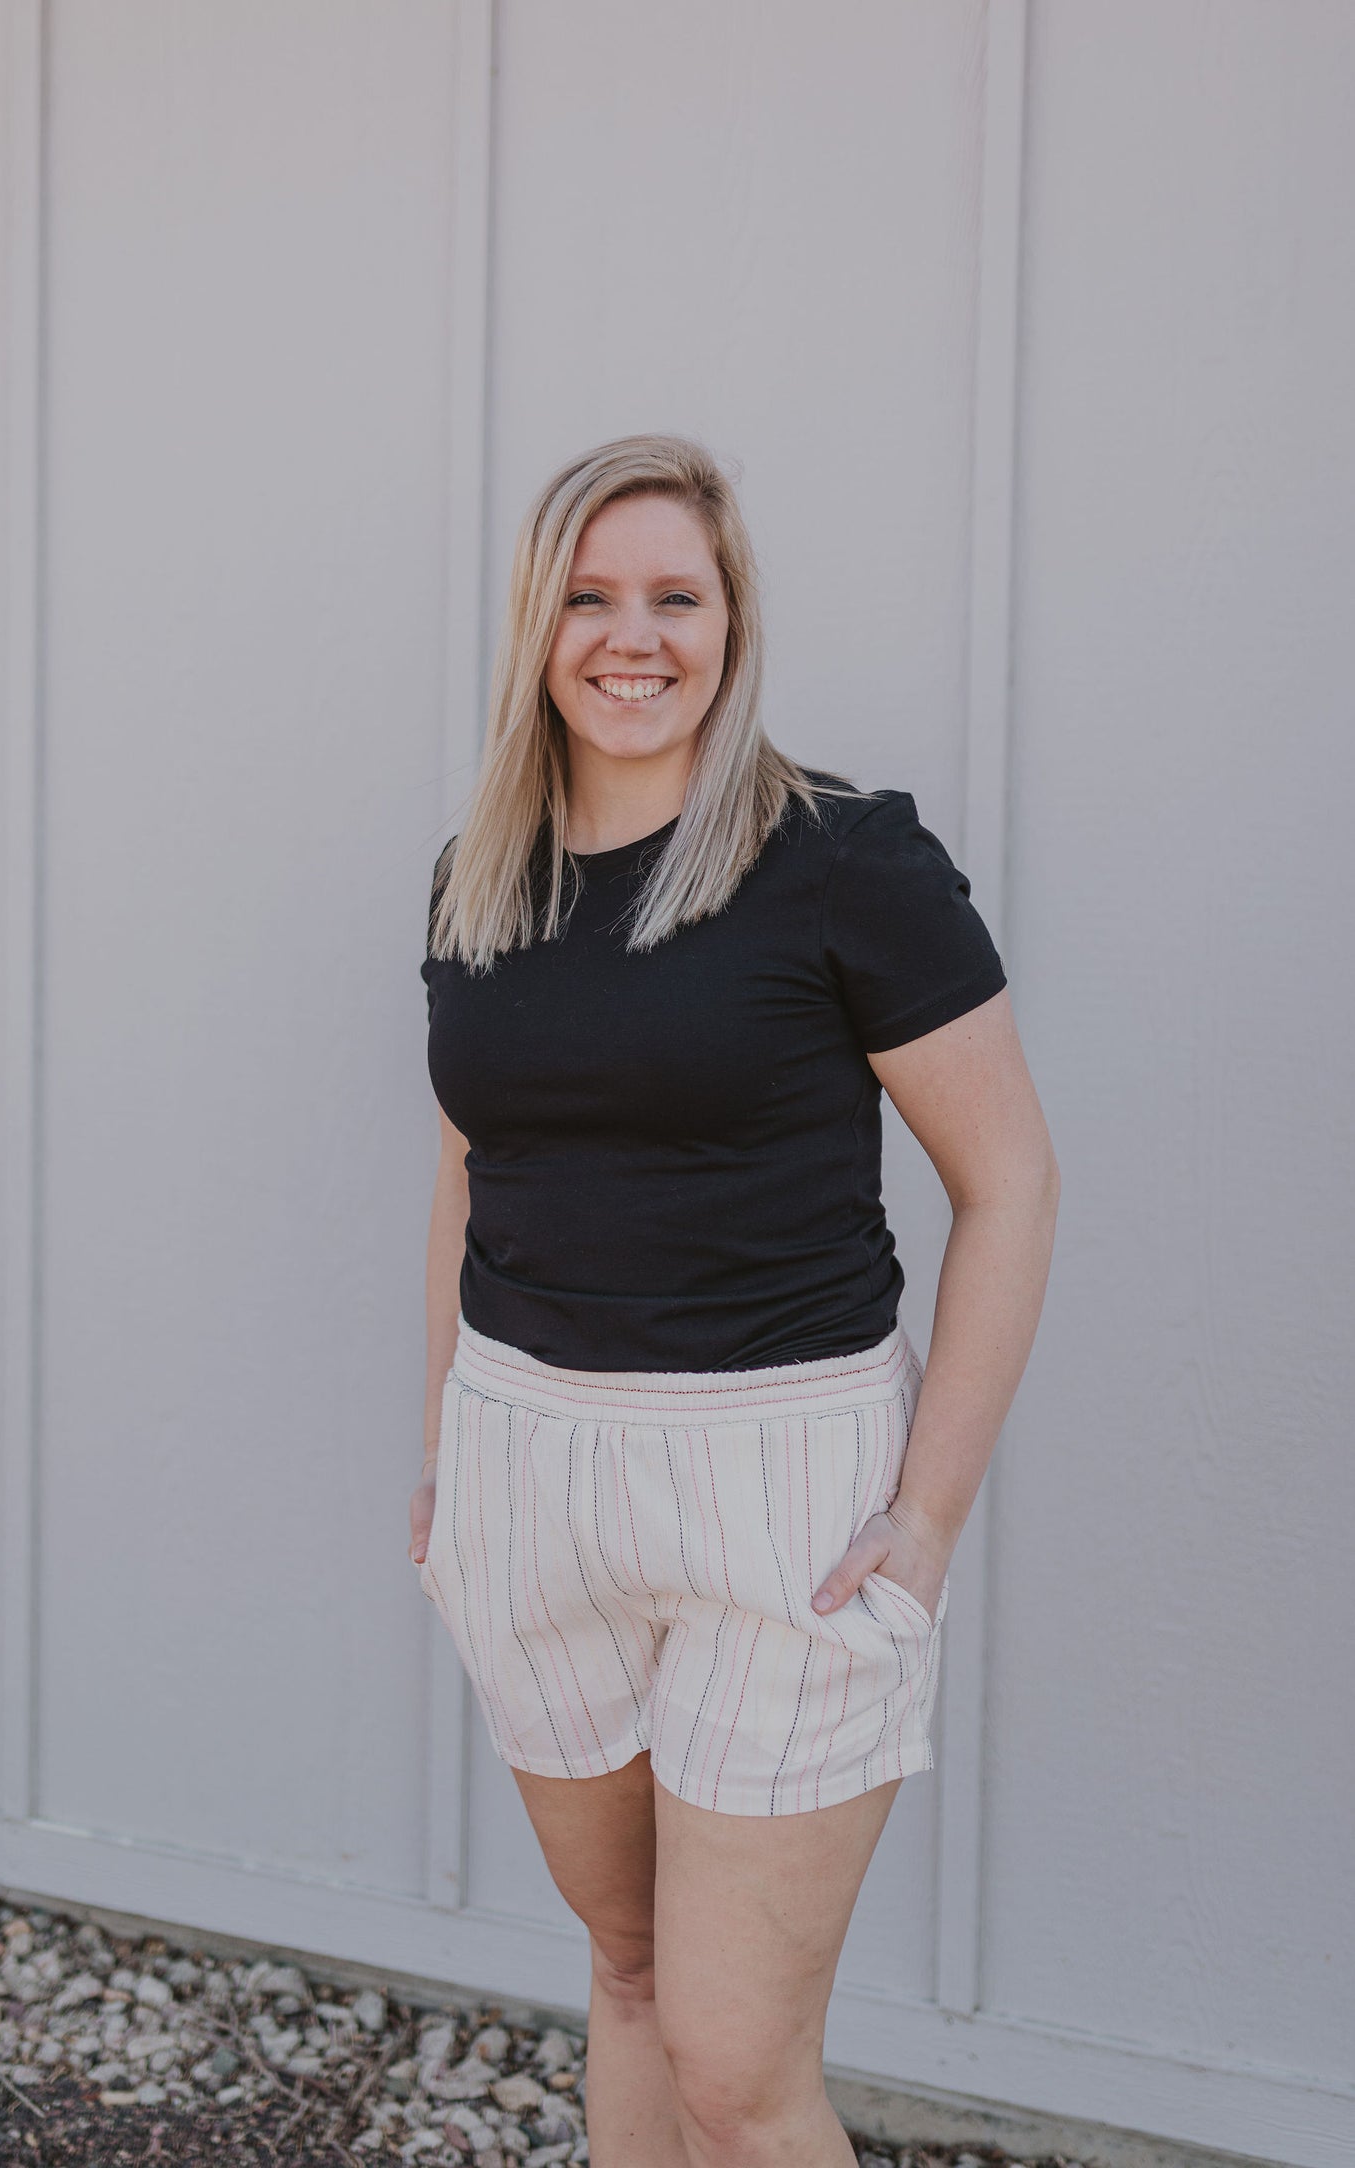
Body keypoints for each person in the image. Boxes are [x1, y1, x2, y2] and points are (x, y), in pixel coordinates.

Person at [410, 433, 1060, 2168]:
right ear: (537, 628)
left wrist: (922, 1523)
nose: (633, 637)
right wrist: (444, 1458)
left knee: (734, 2064)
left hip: (780, 1484)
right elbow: (472, 1172)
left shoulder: (844, 859)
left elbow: (1007, 1187)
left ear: (730, 621)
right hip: (526, 1470)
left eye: (674, 596)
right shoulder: (482, 873)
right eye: (588, 595)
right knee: (624, 1975)